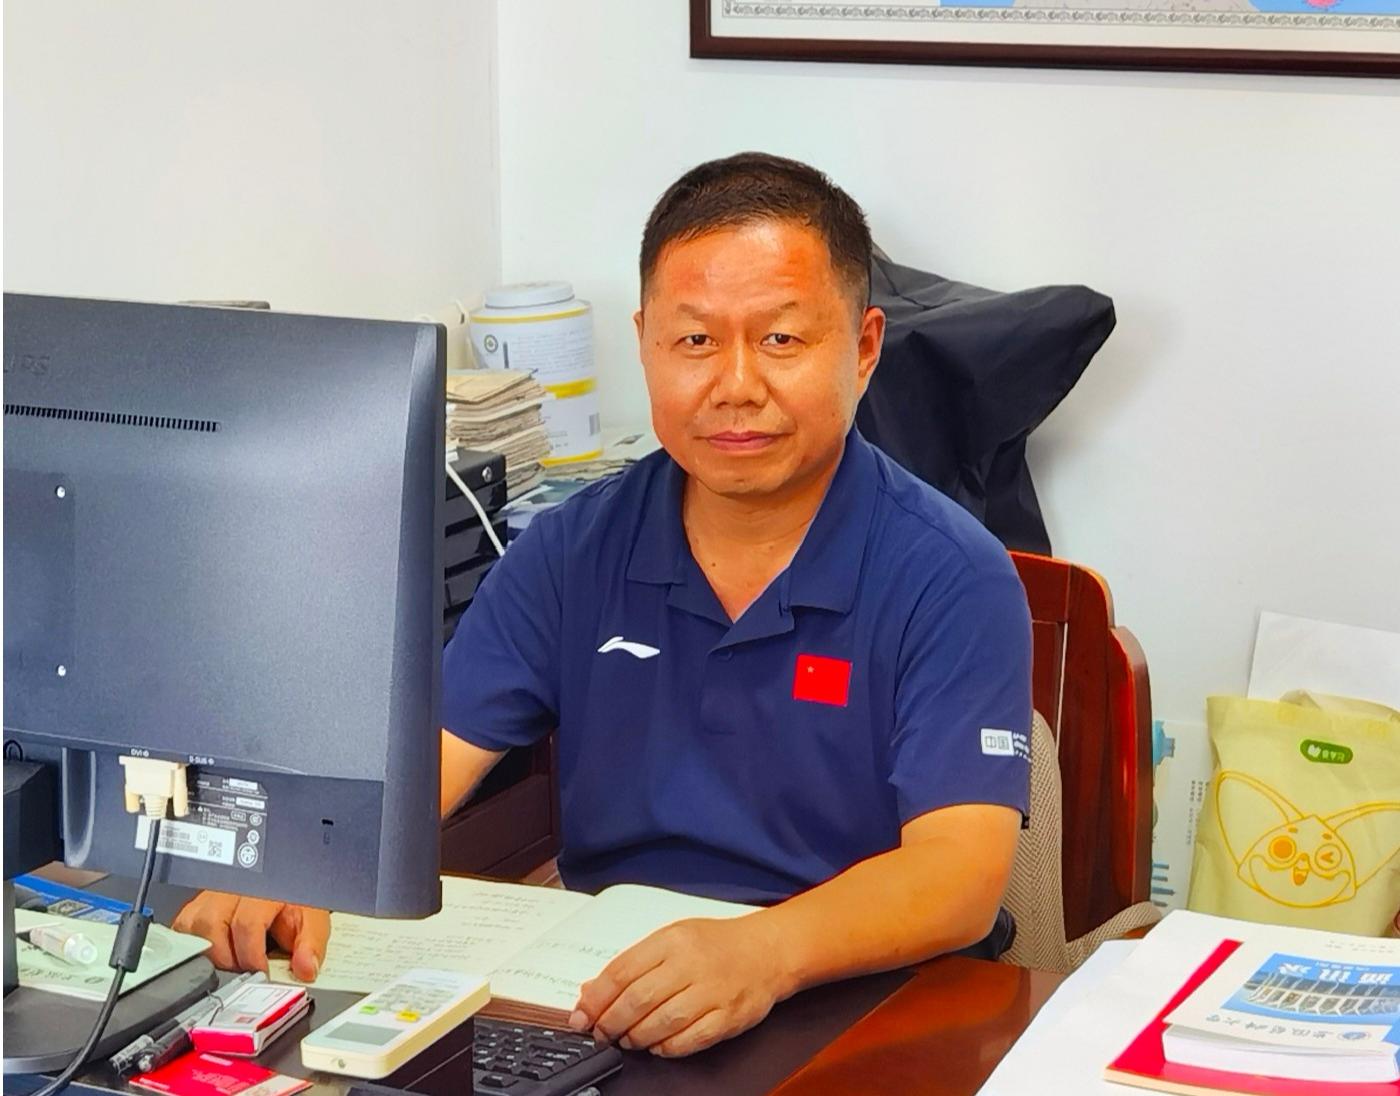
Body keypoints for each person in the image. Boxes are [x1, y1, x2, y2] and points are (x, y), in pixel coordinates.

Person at [175, 151, 1033, 1059]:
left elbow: (959, 875)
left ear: (862, 348)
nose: (736, 384)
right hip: (618, 1003)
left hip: (868, 1004)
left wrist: (767, 951)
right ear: (646, 343)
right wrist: (298, 861)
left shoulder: (951, 575)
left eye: (782, 339)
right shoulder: (572, 550)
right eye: (695, 341)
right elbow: (422, 766)